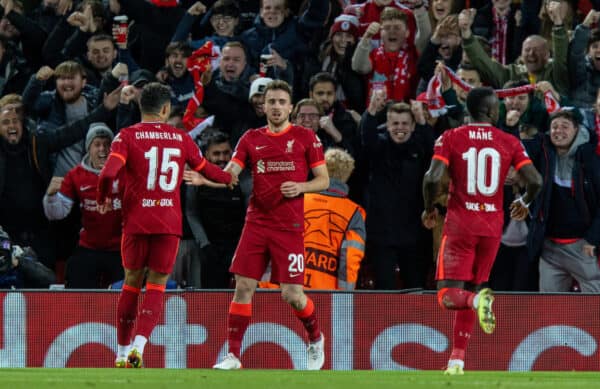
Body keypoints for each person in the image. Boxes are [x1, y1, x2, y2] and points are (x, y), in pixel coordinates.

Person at [96, 82, 237, 368]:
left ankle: (121, 352)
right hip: (168, 223)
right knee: (157, 286)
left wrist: (103, 198)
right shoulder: (180, 138)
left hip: (136, 222)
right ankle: (139, 346)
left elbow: (107, 173)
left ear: (140, 107)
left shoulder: (126, 136)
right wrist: (227, 178)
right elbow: (206, 169)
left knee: (131, 285)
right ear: (165, 109)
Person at [421, 87, 542, 375]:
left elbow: (432, 177)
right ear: (491, 111)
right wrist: (524, 202)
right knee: (472, 288)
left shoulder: (451, 137)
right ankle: (457, 361)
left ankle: (477, 302)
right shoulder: (509, 141)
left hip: (460, 224)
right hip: (491, 228)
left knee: (448, 295)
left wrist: (428, 208)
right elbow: (535, 180)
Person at [211, 80, 329, 370]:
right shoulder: (250, 138)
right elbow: (231, 173)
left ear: (290, 107)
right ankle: (234, 355)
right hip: (256, 222)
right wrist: (205, 177)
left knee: (292, 295)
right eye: (271, 102)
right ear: (263, 107)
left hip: (288, 226)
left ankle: (316, 338)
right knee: (243, 287)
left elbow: (323, 180)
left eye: (281, 102)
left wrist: (300, 187)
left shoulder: (306, 138)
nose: (275, 107)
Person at [525, 110, 600, 293]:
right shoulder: (544, 150)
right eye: (554, 127)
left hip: (582, 247)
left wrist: (593, 238)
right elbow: (515, 147)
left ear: (577, 129)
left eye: (565, 127)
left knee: (594, 302)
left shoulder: (591, 157)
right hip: (550, 248)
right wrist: (511, 126)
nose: (558, 131)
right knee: (551, 308)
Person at [43, 123, 124, 289]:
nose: (102, 149)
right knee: (75, 275)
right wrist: (50, 196)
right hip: (90, 246)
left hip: (120, 247)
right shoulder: (76, 175)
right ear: (89, 148)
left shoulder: (125, 172)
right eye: (97, 144)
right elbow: (57, 213)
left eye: (107, 144)